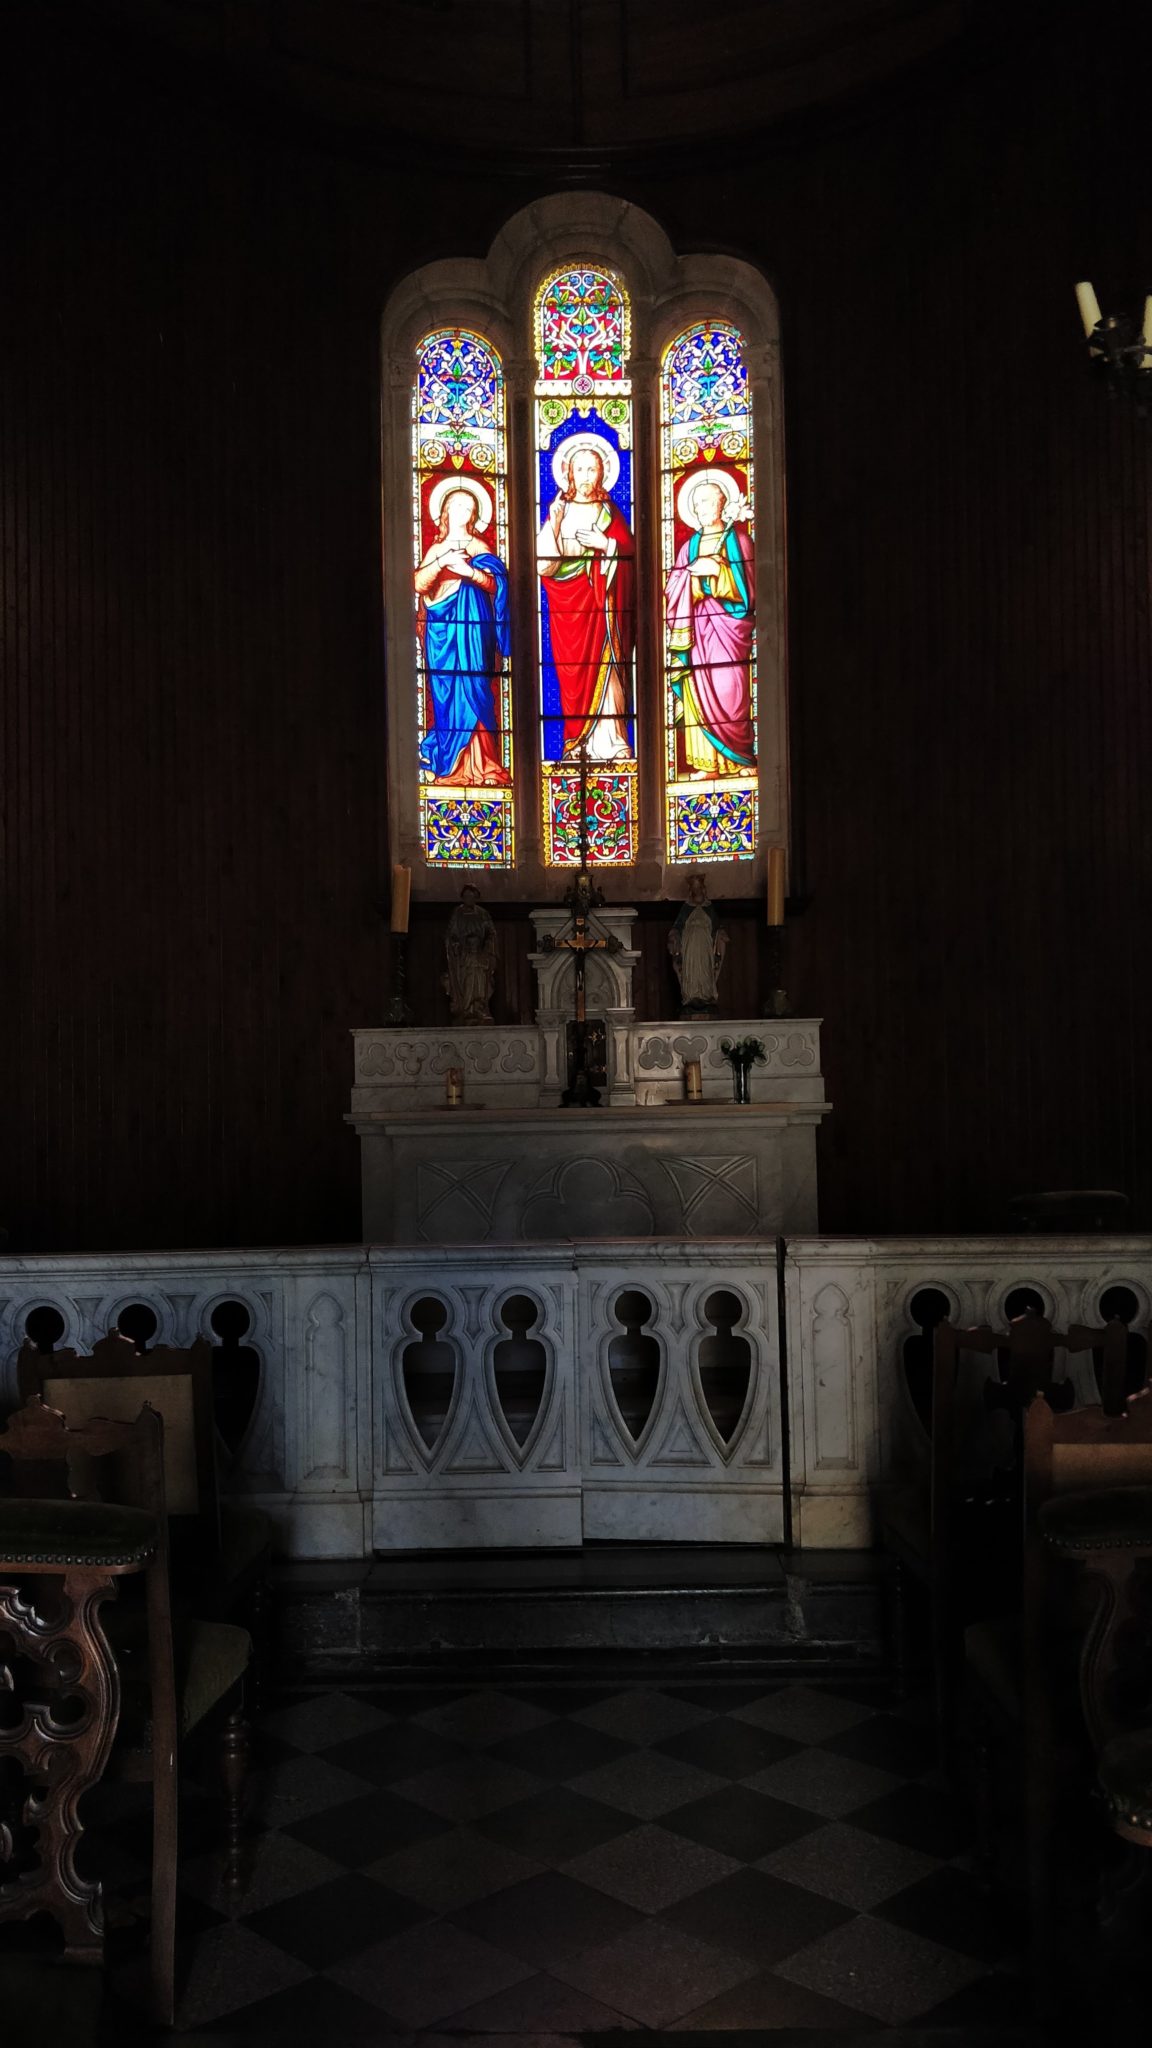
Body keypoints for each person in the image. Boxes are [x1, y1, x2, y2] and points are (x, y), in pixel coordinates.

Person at [537, 437, 634, 762]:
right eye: (580, 469)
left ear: (602, 473)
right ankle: (576, 742)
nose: (586, 476)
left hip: (603, 606)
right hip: (567, 608)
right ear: (569, 473)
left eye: (592, 469)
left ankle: (612, 741)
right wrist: (553, 524)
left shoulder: (610, 513)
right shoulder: (559, 511)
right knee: (572, 674)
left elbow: (630, 557)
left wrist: (605, 544)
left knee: (609, 673)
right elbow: (544, 567)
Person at [416, 480, 510, 786]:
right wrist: (442, 562)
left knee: (475, 687)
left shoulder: (479, 548)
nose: (462, 511)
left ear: (474, 516)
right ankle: (449, 765)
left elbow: (496, 585)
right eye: (456, 505)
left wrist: (469, 572)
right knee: (447, 695)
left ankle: (485, 765)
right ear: (444, 511)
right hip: (441, 631)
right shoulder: (436, 549)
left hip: (473, 628)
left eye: (468, 507)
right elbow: (418, 584)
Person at [665, 472, 755, 777]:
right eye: (697, 503)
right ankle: (708, 764)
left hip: (730, 631)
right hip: (697, 633)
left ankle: (740, 759)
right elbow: (672, 588)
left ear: (722, 504)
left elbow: (750, 590)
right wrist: (692, 579)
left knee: (731, 689)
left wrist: (718, 572)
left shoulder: (740, 542)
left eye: (707, 501)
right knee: (698, 691)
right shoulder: (688, 548)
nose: (701, 508)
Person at [668, 872, 728, 1016]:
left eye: (699, 887)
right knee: (691, 969)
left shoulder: (709, 908)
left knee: (705, 969)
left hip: (705, 945)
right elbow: (677, 927)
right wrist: (674, 936)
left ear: (702, 889)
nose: (697, 891)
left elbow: (717, 927)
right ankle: (691, 995)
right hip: (690, 946)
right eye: (694, 888)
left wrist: (721, 933)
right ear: (691, 890)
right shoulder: (686, 908)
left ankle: (705, 995)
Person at [443, 884, 497, 1025]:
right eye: (466, 896)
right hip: (464, 956)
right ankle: (466, 1009)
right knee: (467, 981)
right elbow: (451, 934)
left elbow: (491, 933)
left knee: (480, 981)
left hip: (479, 955)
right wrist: (456, 945)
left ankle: (479, 1008)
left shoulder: (482, 914)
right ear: (462, 897)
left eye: (472, 897)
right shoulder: (457, 913)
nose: (469, 899)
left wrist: (487, 947)